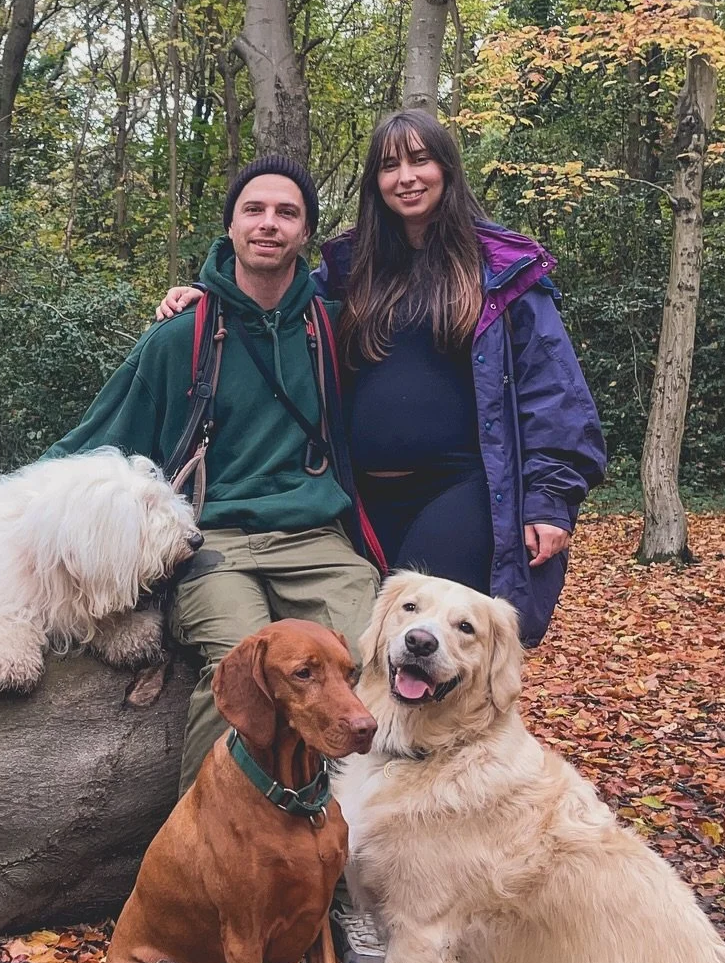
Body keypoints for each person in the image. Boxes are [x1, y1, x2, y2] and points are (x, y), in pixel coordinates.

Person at [159, 110, 607, 647]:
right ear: (376, 181)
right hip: (359, 497)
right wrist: (211, 298)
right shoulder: (352, 268)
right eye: (390, 165)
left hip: (459, 487)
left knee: (422, 640)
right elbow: (277, 300)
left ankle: (444, 736)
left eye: (421, 160)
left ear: (446, 168)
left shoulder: (501, 270)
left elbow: (553, 391)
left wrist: (550, 498)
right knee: (373, 650)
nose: (406, 177)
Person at [48, 154, 380, 795]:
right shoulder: (184, 335)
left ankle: (340, 853)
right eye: (253, 210)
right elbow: (100, 438)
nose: (268, 224)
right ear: (229, 227)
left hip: (315, 538)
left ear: (305, 233)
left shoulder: (333, 328)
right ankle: (204, 860)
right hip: (212, 539)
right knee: (240, 667)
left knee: (370, 653)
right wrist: (1, 523)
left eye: (287, 213)